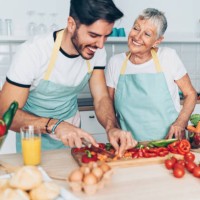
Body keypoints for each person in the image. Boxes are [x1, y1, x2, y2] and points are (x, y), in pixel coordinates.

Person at [0, 0, 137, 156]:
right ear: (71, 24)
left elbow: (101, 98)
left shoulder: (97, 52)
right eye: (94, 35)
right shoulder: (33, 52)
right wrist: (56, 125)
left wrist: (111, 127)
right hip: (34, 139)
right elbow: (5, 113)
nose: (100, 45)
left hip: (73, 137)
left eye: (106, 36)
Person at [105, 8, 197, 142]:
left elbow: (191, 94)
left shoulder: (168, 57)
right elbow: (107, 104)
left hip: (169, 142)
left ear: (157, 41)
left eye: (147, 34)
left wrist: (180, 123)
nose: (137, 37)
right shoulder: (116, 62)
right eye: (136, 28)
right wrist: (114, 129)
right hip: (130, 146)